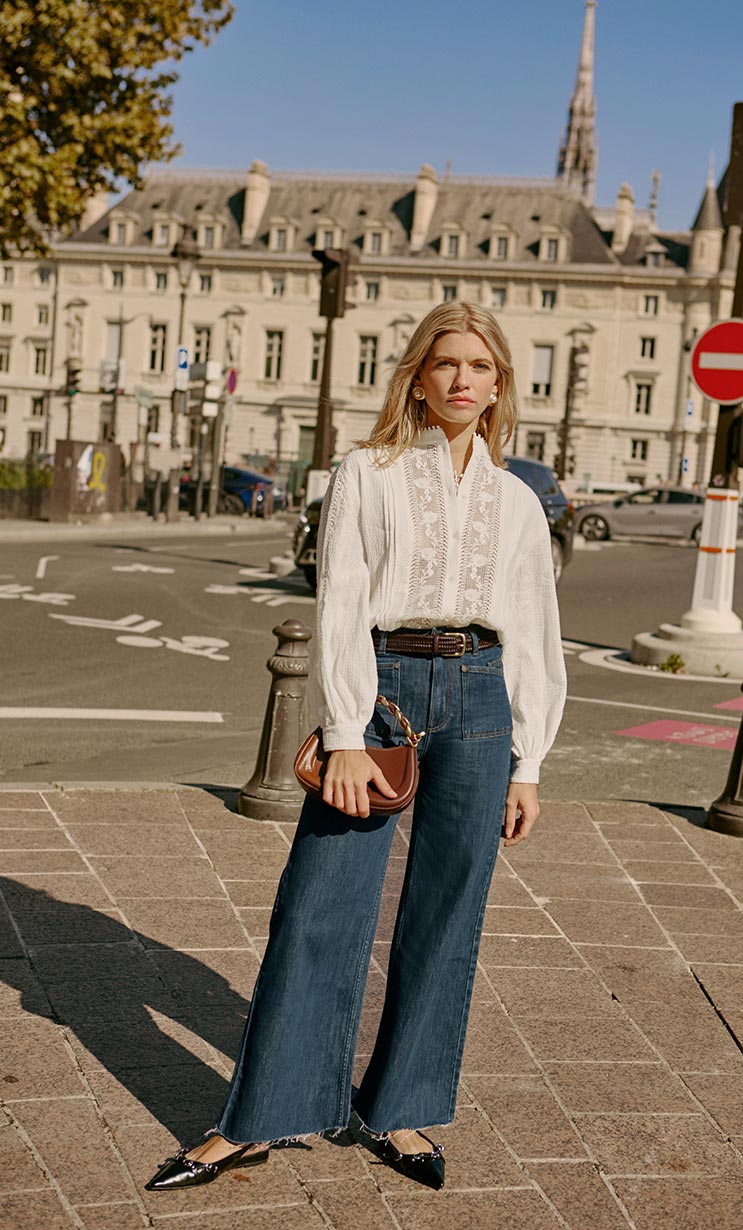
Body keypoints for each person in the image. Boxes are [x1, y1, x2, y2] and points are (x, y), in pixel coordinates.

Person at [145, 302, 566, 1194]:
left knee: (448, 915)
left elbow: (535, 629)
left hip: (483, 697)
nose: (462, 380)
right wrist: (343, 732)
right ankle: (256, 1120)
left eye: (480, 368)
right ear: (417, 373)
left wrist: (528, 762)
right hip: (381, 694)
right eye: (446, 363)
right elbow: (339, 603)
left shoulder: (519, 500)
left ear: (499, 387)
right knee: (319, 908)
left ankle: (398, 1105)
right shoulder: (367, 472)